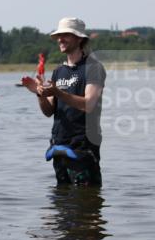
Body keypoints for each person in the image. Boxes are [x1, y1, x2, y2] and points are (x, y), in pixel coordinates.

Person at [22, 17, 105, 186]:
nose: (60, 39)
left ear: (79, 38)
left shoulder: (93, 67)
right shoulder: (58, 71)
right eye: (58, 36)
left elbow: (89, 105)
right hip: (59, 147)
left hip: (83, 147)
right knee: (62, 199)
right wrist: (40, 93)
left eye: (66, 35)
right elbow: (48, 111)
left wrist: (58, 92)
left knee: (87, 200)